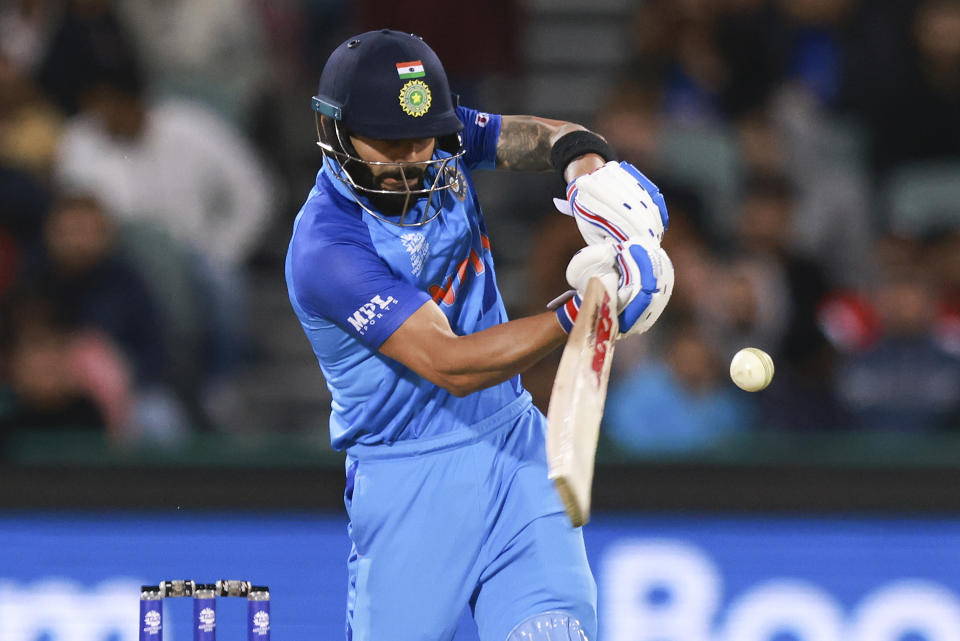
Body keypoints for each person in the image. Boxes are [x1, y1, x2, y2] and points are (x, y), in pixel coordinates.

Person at [285, 30, 673, 641]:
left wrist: (589, 173)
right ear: (332, 132)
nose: (414, 158)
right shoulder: (326, 247)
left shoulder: (439, 139)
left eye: (425, 139)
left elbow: (546, 136)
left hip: (516, 452)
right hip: (408, 485)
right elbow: (450, 364)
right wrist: (584, 312)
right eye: (390, 144)